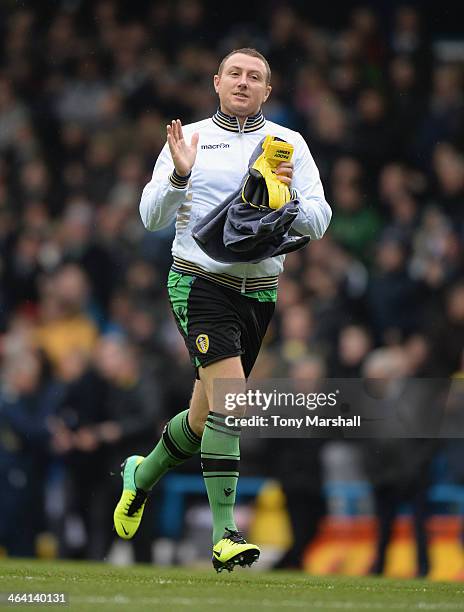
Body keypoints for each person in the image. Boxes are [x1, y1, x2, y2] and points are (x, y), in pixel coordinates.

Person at [113, 48, 332, 572]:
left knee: (203, 416)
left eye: (254, 77)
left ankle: (139, 476)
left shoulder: (288, 145)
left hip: (258, 293)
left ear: (267, 91)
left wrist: (284, 201)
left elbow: (321, 220)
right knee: (234, 403)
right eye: (234, 73)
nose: (243, 82)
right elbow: (149, 217)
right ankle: (225, 533)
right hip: (198, 281)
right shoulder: (186, 138)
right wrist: (180, 177)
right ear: (216, 82)